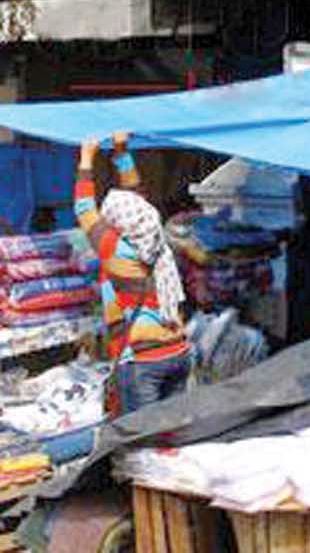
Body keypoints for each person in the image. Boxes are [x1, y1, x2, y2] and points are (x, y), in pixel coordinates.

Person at [75, 132, 190, 413]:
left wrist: (86, 158)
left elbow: (84, 207)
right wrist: (121, 152)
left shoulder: (115, 249)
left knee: (144, 443)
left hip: (143, 361)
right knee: (173, 437)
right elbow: (137, 198)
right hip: (178, 353)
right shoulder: (155, 238)